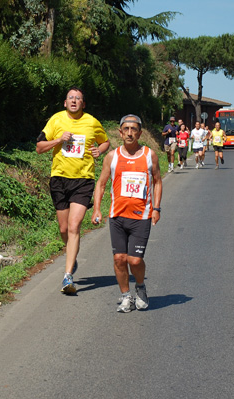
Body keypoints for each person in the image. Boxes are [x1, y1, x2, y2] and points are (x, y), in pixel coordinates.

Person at [36, 86, 110, 294]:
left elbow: (105, 142)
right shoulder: (56, 120)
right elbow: (39, 147)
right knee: (63, 229)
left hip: (83, 179)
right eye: (71, 98)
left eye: (78, 98)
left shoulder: (92, 122)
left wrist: (99, 150)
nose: (74, 100)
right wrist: (59, 140)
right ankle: (72, 253)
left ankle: (67, 277)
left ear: (83, 104)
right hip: (59, 179)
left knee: (74, 226)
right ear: (65, 103)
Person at [92, 114, 162, 312]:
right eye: (126, 129)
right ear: (120, 132)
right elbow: (101, 183)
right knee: (119, 259)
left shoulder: (150, 155)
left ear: (140, 133)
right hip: (117, 217)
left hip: (141, 217)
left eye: (134, 129)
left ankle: (140, 287)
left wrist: (156, 208)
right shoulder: (112, 157)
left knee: (135, 260)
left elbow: (157, 181)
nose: (130, 133)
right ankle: (125, 296)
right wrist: (97, 209)